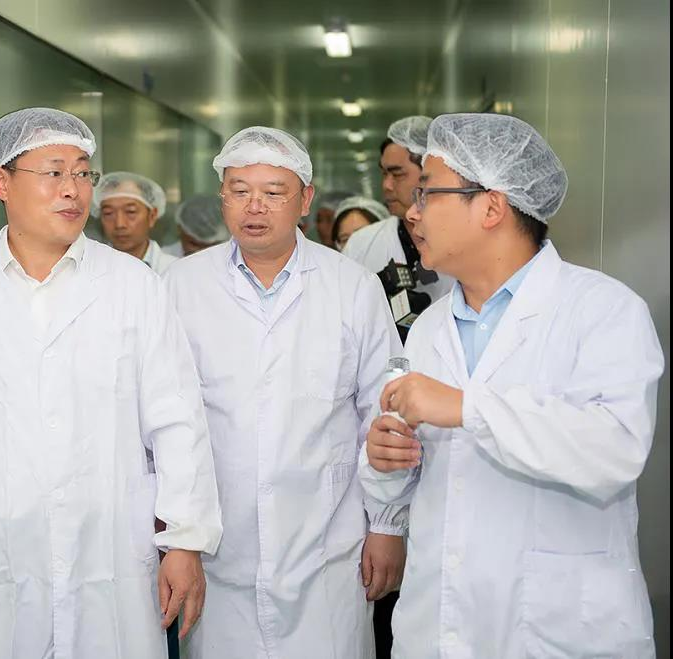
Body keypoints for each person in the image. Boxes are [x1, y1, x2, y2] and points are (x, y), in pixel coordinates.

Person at [0, 107, 223, 659]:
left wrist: (185, 540)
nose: (73, 189)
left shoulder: (134, 287)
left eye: (82, 172)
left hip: (106, 561)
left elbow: (178, 421)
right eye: (53, 172)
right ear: (1, 182)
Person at [360, 113, 663, 658]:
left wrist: (466, 408)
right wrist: (387, 459)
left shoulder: (603, 310)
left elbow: (615, 448)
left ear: (492, 207)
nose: (412, 211)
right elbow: (427, 476)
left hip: (557, 628)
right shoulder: (430, 328)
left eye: (428, 192)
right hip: (439, 625)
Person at [166, 126, 406, 658]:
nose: (255, 207)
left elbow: (384, 414)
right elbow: (163, 418)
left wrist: (388, 525)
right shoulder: (181, 286)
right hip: (218, 553)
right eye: (239, 190)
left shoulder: (352, 286)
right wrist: (174, 535)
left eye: (274, 192)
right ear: (222, 196)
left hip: (327, 552)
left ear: (305, 199)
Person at [343, 116, 453, 307]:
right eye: (384, 174)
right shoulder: (361, 244)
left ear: (430, 172)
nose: (386, 185)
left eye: (398, 174)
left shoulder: (464, 241)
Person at [93, 171, 177, 275]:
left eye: (130, 212)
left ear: (152, 216)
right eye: (108, 213)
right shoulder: (91, 267)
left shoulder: (174, 269)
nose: (120, 224)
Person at [162, 194, 230, 257]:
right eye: (195, 244)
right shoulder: (163, 260)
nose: (202, 252)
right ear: (180, 229)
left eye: (212, 245)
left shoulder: (231, 258)